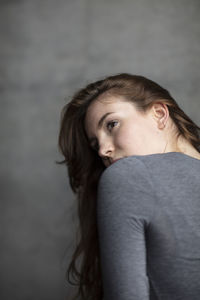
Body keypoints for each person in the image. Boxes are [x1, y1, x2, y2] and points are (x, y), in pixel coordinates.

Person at [57, 73, 200, 300]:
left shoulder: (127, 175)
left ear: (159, 114)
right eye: (95, 145)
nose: (103, 150)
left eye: (111, 124)